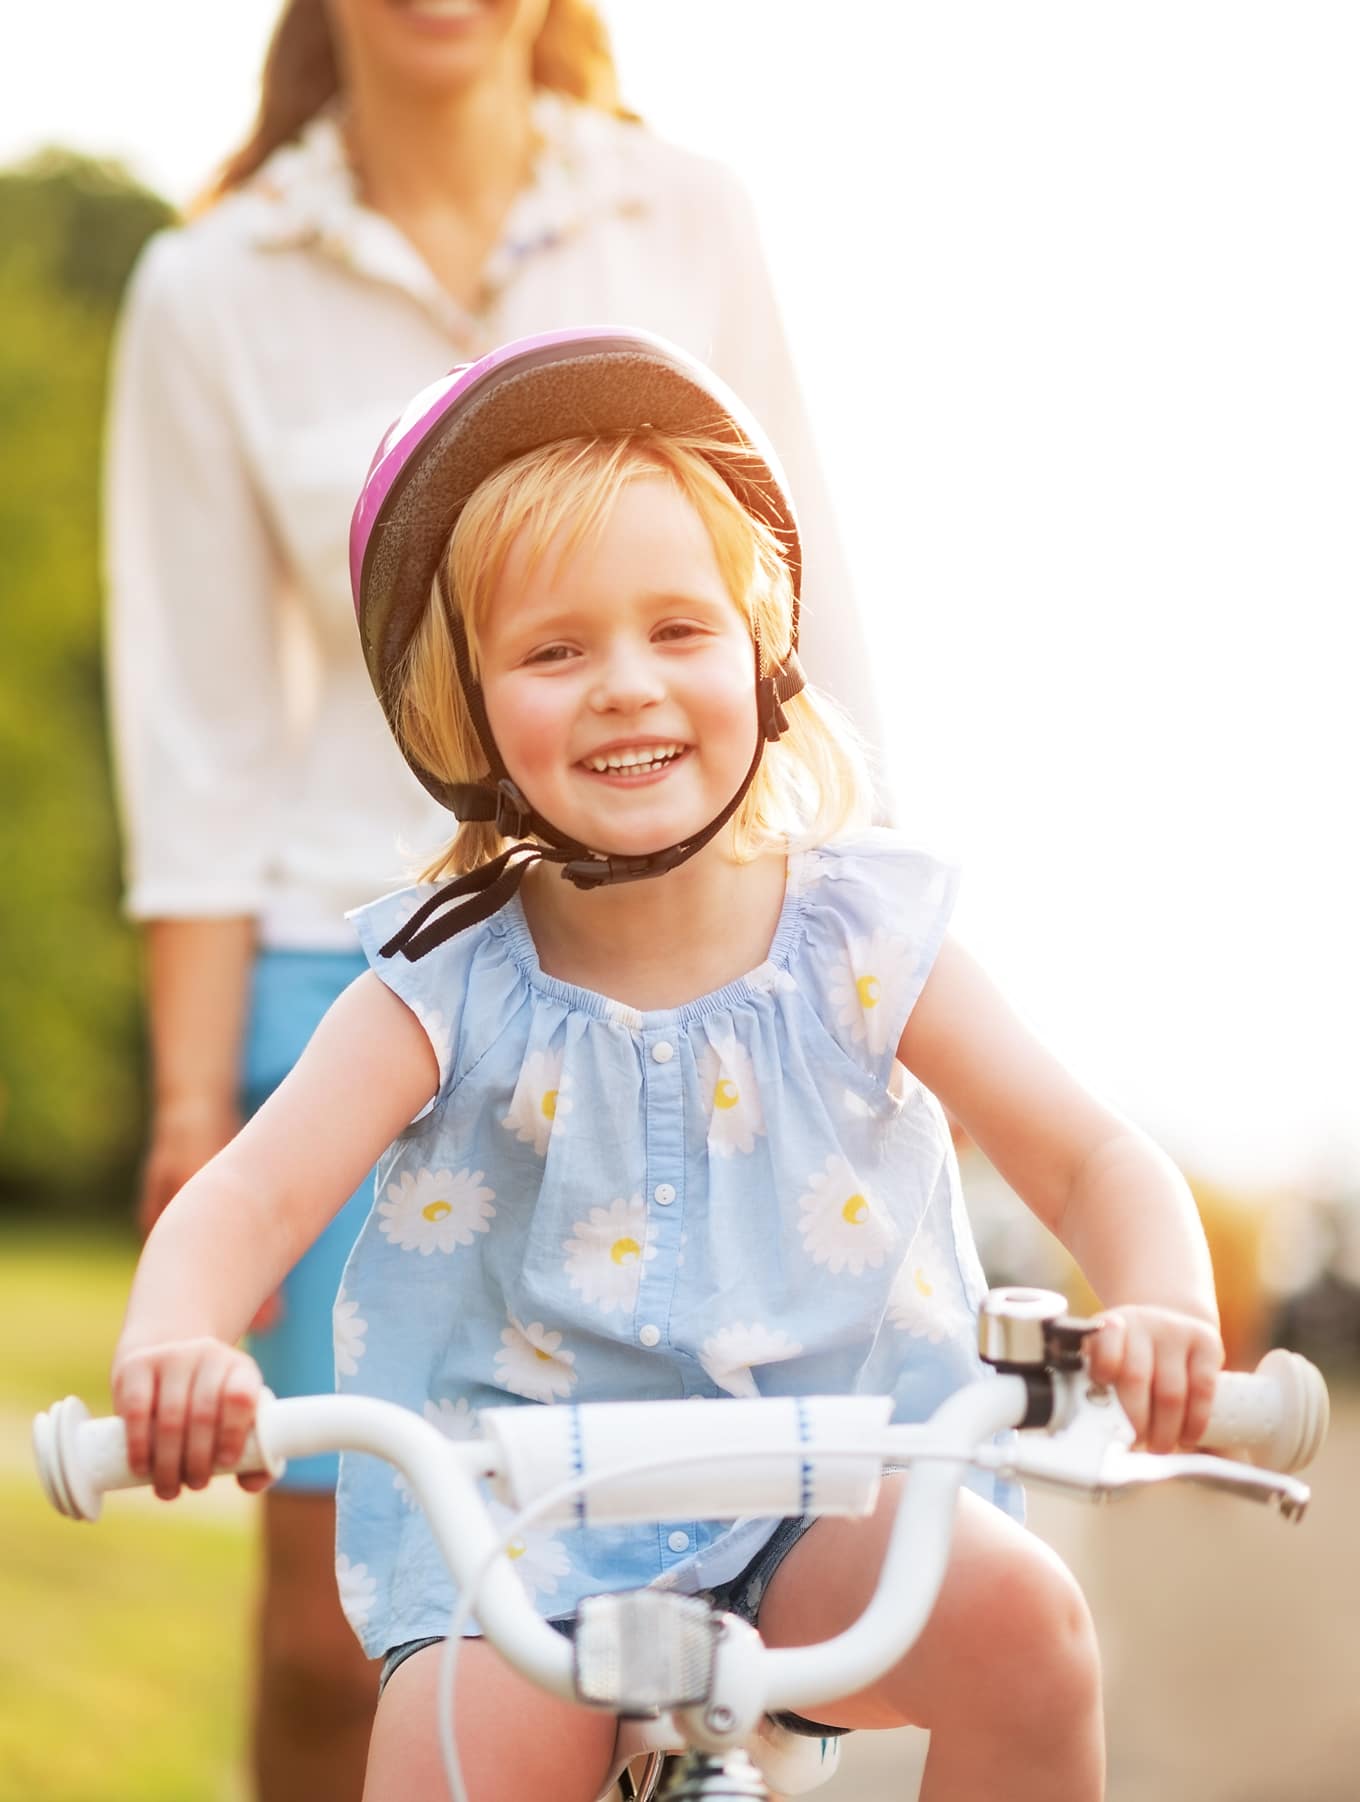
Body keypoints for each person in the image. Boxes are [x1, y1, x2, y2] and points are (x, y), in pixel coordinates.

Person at [110, 327, 1225, 1802]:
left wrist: (1162, 1302)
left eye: (677, 630)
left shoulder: (865, 937)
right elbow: (249, 1197)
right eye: (556, 650)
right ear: (467, 709)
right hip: (529, 1530)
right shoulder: (443, 981)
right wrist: (175, 1343)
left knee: (1028, 1625)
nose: (626, 684)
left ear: (762, 653)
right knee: (446, 1756)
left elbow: (1090, 1155)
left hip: (833, 1499)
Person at [103, 3, 884, 1795]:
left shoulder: (685, 213)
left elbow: (805, 611)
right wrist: (182, 1095)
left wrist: (846, 964)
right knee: (338, 1629)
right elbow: (200, 738)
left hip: (691, 955)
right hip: (354, 964)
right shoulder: (212, 283)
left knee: (721, 1586)